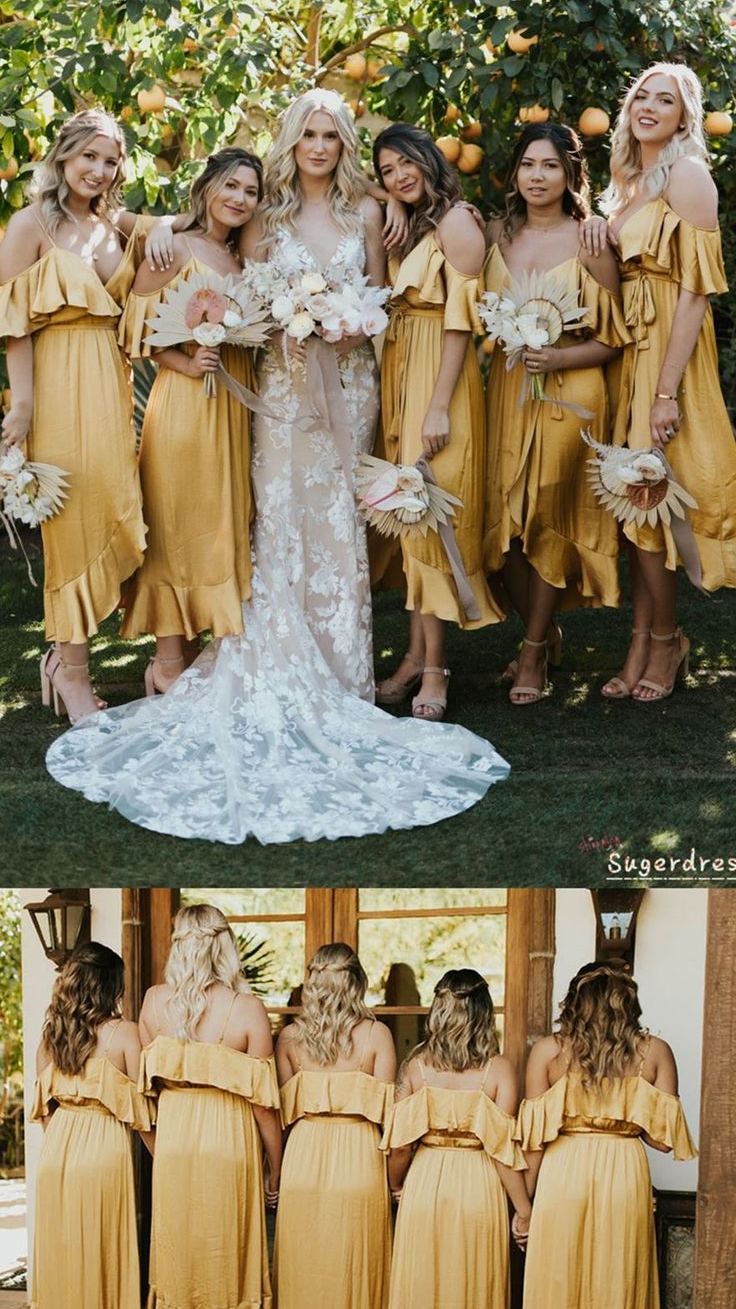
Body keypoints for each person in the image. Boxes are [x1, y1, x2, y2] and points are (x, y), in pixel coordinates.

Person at [46, 91, 510, 844]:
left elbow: (383, 299)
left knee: (337, 530)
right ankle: (263, 661)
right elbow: (234, 281)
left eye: (332, 135)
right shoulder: (265, 214)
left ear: (344, 142)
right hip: (281, 392)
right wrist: (174, 233)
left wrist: (346, 319)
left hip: (350, 388)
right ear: (292, 140)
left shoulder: (369, 211)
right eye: (309, 134)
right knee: (277, 523)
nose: (320, 146)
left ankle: (342, 679)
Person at [581, 62, 736, 700]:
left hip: (672, 350)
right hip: (631, 350)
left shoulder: (690, 175)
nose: (648, 106)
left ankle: (667, 640)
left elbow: (698, 291)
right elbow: (618, 289)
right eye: (641, 95)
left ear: (683, 116)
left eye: (664, 100)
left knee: (663, 489)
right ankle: (644, 640)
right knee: (635, 498)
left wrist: (667, 391)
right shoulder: (626, 183)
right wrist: (597, 250)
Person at [0, 108, 154, 723]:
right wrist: (25, 403)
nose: (98, 168)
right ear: (63, 155)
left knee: (113, 504)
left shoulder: (110, 225)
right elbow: (12, 323)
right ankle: (71, 669)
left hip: (110, 381)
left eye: (111, 159)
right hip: (56, 382)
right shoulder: (29, 223)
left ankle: (66, 660)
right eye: (89, 155)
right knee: (71, 527)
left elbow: (179, 227)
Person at [515, 962, 697, 1309]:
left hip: (563, 1173)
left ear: (575, 1001)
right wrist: (628, 1115)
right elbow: (662, 1141)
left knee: (561, 1291)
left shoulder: (549, 1052)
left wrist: (525, 1208)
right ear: (628, 1002)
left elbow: (533, 1142)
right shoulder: (654, 1052)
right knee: (616, 1293)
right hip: (623, 1175)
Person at [483, 123, 628, 704]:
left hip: (572, 393)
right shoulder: (494, 234)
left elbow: (615, 338)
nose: (537, 176)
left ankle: (534, 651)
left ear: (571, 174)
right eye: (527, 165)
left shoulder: (589, 240)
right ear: (514, 174)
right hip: (508, 392)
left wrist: (561, 353)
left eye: (549, 166)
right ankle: (542, 631)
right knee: (504, 522)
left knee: (547, 511)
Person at [119, 148, 263, 692]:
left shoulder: (243, 260)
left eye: (250, 192)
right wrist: (185, 359)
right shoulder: (172, 247)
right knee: (176, 523)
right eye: (230, 186)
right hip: (184, 403)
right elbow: (135, 333)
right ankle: (167, 659)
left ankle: (206, 649)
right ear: (207, 187)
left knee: (221, 520)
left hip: (234, 406)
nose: (239, 199)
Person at [137, 903, 282, 1309]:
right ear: (224, 945)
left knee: (185, 1261)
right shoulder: (247, 1009)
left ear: (179, 944)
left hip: (176, 1142)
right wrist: (276, 1167)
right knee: (221, 1262)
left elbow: (139, 1098)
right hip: (228, 1143)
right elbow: (267, 1106)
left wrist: (162, 1148)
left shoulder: (154, 1003)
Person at [372, 123, 500, 722]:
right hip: (401, 365)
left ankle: (436, 670)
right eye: (386, 171)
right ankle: (414, 657)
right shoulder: (413, 222)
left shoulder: (456, 222)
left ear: (429, 158)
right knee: (407, 513)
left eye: (405, 164)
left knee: (430, 510)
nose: (398, 176)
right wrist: (393, 200)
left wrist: (439, 403)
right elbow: (347, 184)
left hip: (438, 373)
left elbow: (460, 323)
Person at [381, 970, 530, 1309]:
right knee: (472, 1294)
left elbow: (400, 1146)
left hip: (427, 1182)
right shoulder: (499, 1071)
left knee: (427, 1292)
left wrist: (397, 1184)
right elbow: (506, 1153)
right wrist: (524, 1209)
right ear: (484, 1012)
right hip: (478, 1186)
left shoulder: (418, 1068)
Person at [267, 943, 396, 1309]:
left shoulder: (290, 1039)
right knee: (352, 1271)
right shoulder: (376, 1035)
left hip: (304, 1157)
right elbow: (389, 1117)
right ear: (357, 982)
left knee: (306, 1270)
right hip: (358, 1158)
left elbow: (280, 1111)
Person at [23, 942, 152, 1309]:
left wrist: (65, 1145)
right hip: (102, 1154)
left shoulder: (49, 1039)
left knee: (65, 1269)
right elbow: (143, 1113)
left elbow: (45, 1113)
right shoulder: (124, 1034)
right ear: (111, 986)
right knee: (98, 1267)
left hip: (59, 1153)